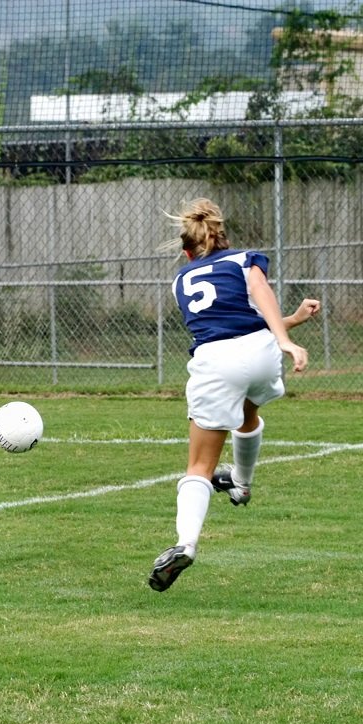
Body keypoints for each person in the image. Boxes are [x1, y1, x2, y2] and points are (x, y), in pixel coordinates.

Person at [149, 197, 321, 592]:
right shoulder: (244, 259)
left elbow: (227, 320)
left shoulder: (180, 281)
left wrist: (286, 333)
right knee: (248, 411)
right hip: (260, 355)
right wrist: (286, 336)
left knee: (199, 467)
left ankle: (185, 545)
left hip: (217, 360)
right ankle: (242, 484)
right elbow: (257, 298)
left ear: (187, 251)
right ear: (222, 239)